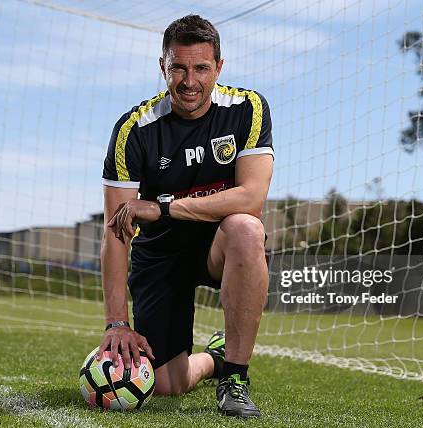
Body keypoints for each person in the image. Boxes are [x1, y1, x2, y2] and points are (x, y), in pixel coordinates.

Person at [97, 14, 273, 418]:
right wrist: (116, 324)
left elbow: (251, 198)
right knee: (163, 385)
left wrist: (161, 207)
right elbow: (116, 233)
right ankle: (215, 359)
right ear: (163, 67)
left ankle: (235, 377)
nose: (189, 81)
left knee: (247, 228)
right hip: (160, 253)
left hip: (218, 244)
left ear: (219, 68)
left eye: (201, 68)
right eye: (178, 67)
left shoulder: (247, 109)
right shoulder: (134, 129)